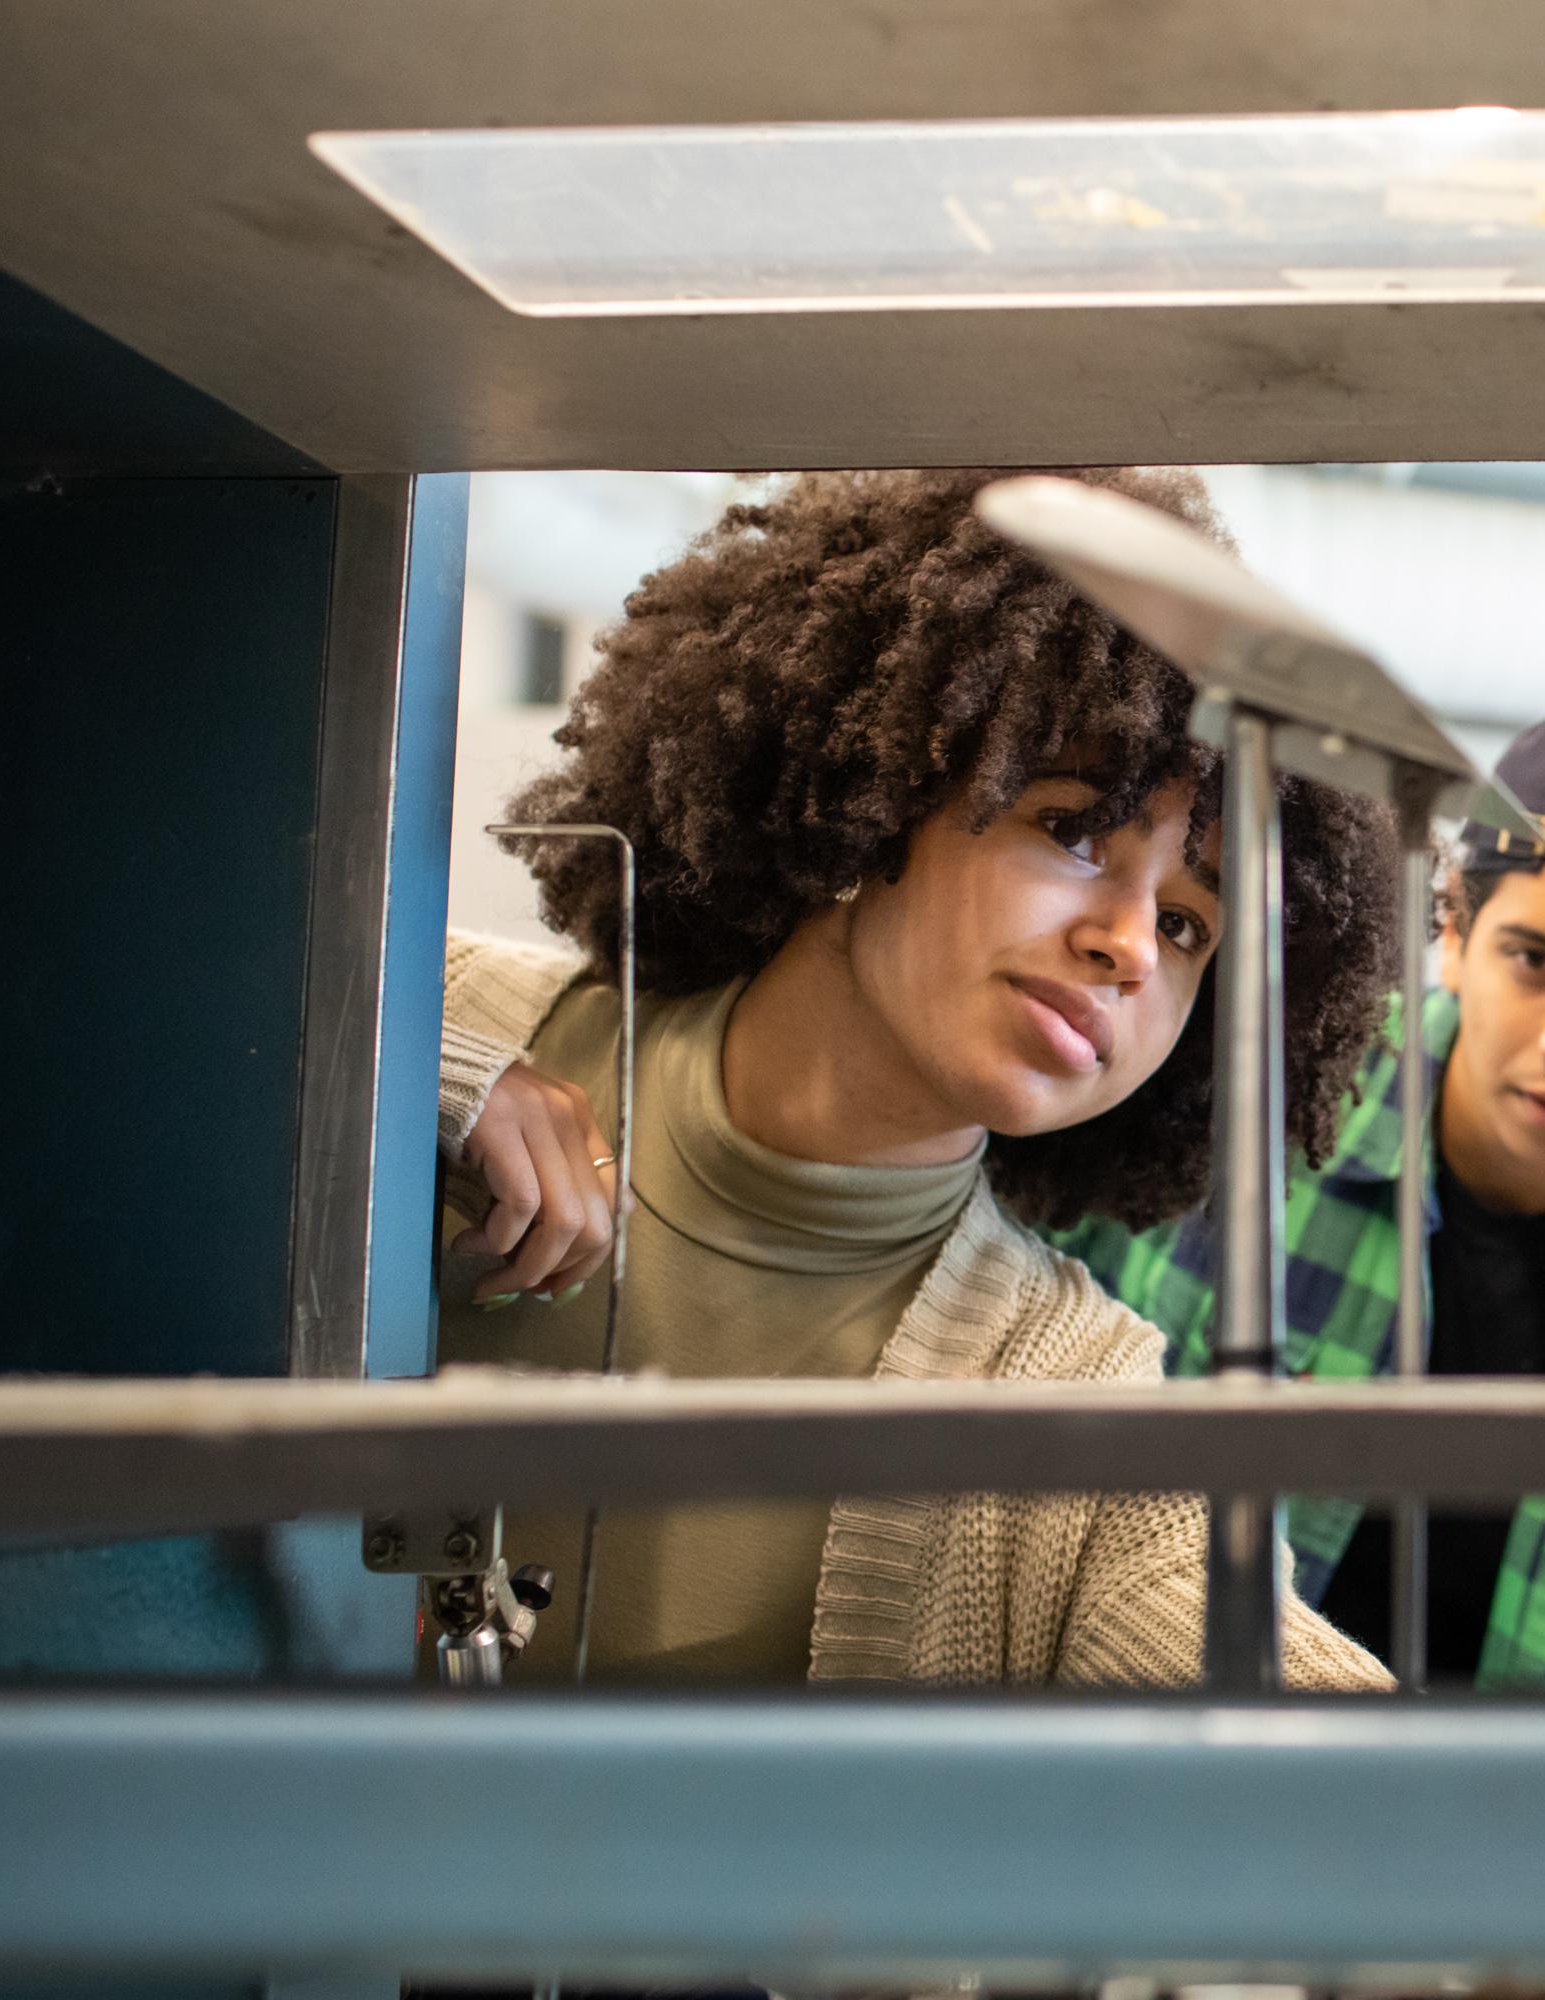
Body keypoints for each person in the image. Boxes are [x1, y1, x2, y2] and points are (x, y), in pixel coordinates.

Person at [434, 466, 1396, 1692]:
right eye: (1071, 829)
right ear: (874, 793)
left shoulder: (1071, 1403)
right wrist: (424, 1080)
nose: (1131, 942)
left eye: (1193, 924)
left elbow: (1326, 1743)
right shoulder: (443, 1015)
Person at [1059, 704, 1545, 1688]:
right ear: (1455, 929)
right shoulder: (1240, 1099)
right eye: (1536, 960)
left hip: (1497, 1827)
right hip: (1154, 1776)